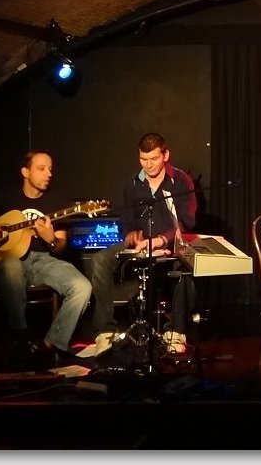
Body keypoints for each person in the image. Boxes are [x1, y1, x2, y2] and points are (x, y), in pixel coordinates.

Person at [0, 150, 92, 368]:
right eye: (41, 168)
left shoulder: (57, 203)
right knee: (10, 265)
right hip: (8, 259)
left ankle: (50, 345)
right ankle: (21, 335)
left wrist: (51, 240)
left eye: (50, 169)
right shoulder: (4, 197)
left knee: (82, 286)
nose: (48, 174)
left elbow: (60, 246)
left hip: (43, 260)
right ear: (25, 172)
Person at [88, 132, 198, 356]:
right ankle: (105, 331)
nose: (149, 165)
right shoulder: (132, 184)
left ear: (165, 155)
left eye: (154, 159)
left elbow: (187, 222)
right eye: (143, 159)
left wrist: (160, 240)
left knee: (185, 265)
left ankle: (176, 331)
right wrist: (131, 235)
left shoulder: (181, 181)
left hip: (171, 244)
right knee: (100, 260)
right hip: (140, 246)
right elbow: (125, 221)